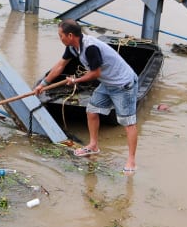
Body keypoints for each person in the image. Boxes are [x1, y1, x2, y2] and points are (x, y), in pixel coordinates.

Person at [33, 19, 139, 173]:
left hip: (123, 84)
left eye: (60, 35)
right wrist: (42, 84)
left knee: (128, 123)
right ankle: (93, 145)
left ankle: (131, 161)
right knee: (91, 111)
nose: (59, 38)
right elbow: (60, 65)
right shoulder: (73, 47)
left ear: (70, 35)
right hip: (108, 83)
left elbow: (96, 73)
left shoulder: (90, 48)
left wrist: (76, 80)